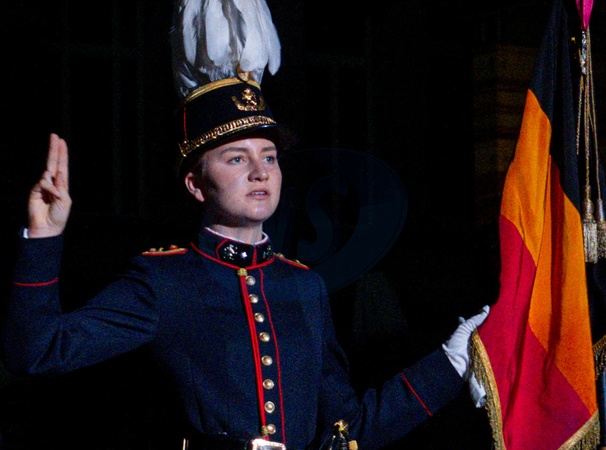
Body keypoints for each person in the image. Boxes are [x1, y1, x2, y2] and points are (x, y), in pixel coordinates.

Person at [2, 2, 489, 449]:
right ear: (196, 185)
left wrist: (450, 364)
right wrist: (43, 238)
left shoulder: (304, 287)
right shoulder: (164, 280)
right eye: (237, 158)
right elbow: (37, 354)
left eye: (269, 157)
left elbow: (347, 432)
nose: (260, 172)